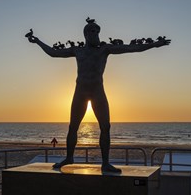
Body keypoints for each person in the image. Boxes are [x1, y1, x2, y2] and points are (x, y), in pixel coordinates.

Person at [27, 18, 171, 172]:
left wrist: (154, 45)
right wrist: (38, 41)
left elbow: (130, 48)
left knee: (105, 127)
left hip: (97, 92)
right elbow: (53, 53)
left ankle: (105, 163)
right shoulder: (78, 50)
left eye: (97, 32)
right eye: (93, 31)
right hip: (80, 92)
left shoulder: (104, 50)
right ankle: (69, 157)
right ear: (86, 34)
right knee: (73, 127)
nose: (96, 34)